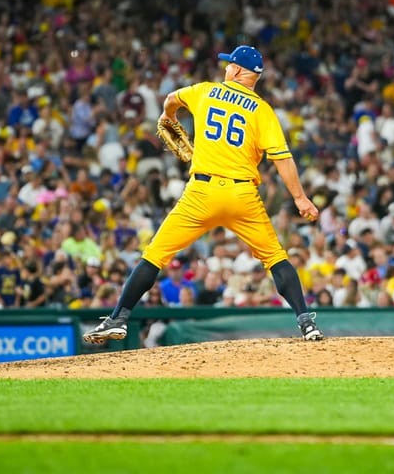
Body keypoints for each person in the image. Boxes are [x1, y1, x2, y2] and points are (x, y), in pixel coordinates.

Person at [83, 45, 324, 343]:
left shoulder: (206, 91)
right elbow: (282, 157)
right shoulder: (262, 110)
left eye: (228, 64)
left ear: (236, 70)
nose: (225, 68)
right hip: (242, 196)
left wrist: (169, 116)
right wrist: (300, 198)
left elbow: (171, 101)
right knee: (275, 258)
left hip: (202, 192)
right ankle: (305, 322)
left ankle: (118, 318)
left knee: (155, 255)